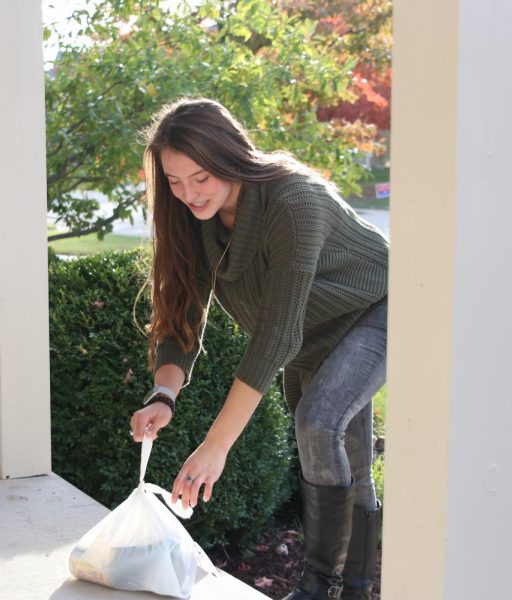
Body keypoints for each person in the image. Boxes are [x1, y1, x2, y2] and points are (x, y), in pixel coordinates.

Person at [129, 98, 388, 600]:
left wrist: (216, 445)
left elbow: (278, 334)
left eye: (200, 177)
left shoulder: (295, 203)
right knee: (352, 464)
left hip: (381, 308)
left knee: (318, 420)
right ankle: (354, 592)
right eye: (175, 181)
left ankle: (318, 589)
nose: (187, 194)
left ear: (230, 156)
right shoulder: (195, 217)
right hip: (321, 333)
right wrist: (164, 394)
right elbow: (182, 310)